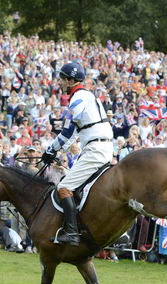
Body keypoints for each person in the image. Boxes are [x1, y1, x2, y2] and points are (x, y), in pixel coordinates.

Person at [41, 62, 113, 245]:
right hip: (100, 146)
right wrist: (57, 149)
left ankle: (72, 232)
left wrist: (50, 149)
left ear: (71, 80)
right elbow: (73, 134)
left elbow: (68, 131)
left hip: (95, 149)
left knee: (64, 188)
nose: (60, 83)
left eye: (62, 79)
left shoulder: (78, 98)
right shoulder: (87, 96)